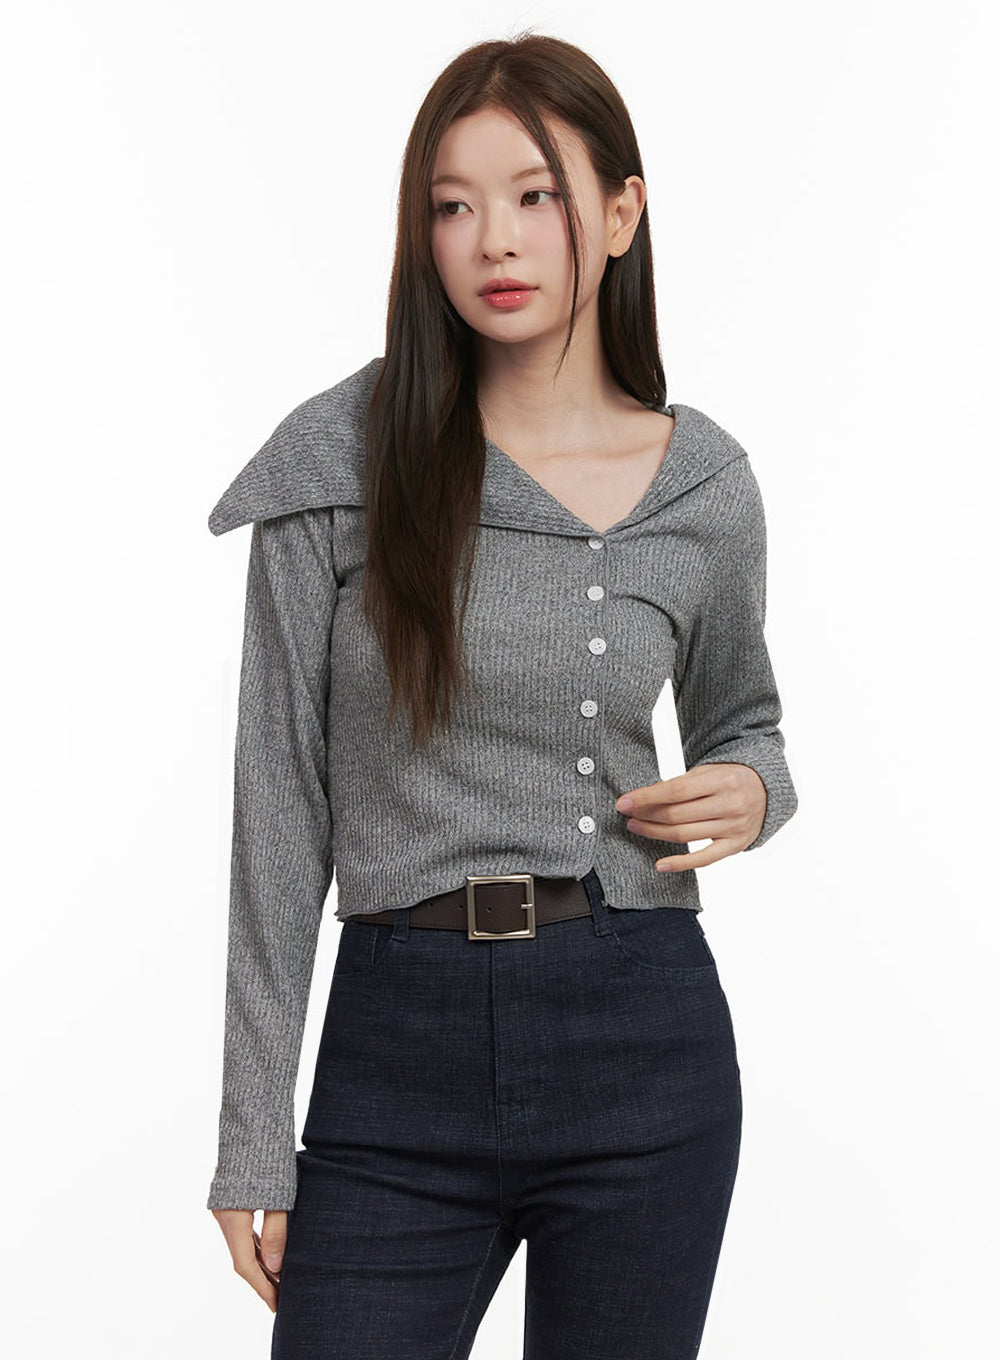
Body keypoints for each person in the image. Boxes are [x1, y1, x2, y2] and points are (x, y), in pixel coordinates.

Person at [205, 31, 798, 1360]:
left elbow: (746, 720)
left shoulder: (704, 485)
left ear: (621, 213)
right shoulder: (336, 461)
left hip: (641, 1039)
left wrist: (756, 790)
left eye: (536, 195)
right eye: (453, 204)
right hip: (393, 1058)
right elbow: (277, 815)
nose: (494, 240)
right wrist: (253, 1132)